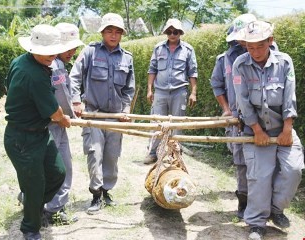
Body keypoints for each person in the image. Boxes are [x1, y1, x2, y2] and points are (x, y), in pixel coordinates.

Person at [232, 20, 304, 240]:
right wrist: (256, 130)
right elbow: (243, 101)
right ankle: (256, 223)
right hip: (255, 132)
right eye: (250, 47)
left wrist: (288, 129)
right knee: (259, 177)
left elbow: (289, 96)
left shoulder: (284, 62)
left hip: (283, 129)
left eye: (260, 46)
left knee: (294, 170)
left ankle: (276, 209)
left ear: (270, 41)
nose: (255, 52)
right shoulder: (239, 65)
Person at [4, 24, 71, 240]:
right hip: (22, 138)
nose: (51, 55)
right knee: (35, 184)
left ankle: (31, 202)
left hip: (40, 133)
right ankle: (30, 229)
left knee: (58, 173)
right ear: (34, 48)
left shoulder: (22, 61)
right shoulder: (33, 74)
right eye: (46, 51)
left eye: (54, 50)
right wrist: (63, 119)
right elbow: (54, 113)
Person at [69, 13, 135, 214]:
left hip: (115, 117)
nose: (113, 35)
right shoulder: (89, 52)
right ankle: (96, 194)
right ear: (102, 32)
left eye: (117, 32)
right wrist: (76, 101)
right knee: (94, 154)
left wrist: (125, 110)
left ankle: (107, 191)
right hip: (93, 114)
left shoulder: (127, 58)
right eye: (109, 31)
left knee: (112, 156)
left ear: (122, 34)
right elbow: (74, 77)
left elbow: (129, 90)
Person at [210, 13, 257, 219]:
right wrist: (226, 109)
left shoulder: (269, 54)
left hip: (263, 121)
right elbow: (217, 84)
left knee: (263, 163)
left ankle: (264, 205)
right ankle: (243, 201)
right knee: (241, 162)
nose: (241, 41)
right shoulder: (225, 58)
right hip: (237, 120)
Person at [43, 23, 84, 225]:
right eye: (68, 47)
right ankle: (54, 210)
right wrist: (72, 116)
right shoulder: (55, 66)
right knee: (62, 169)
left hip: (50, 124)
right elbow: (61, 98)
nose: (72, 52)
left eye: (74, 48)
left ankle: (32, 200)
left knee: (46, 167)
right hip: (56, 124)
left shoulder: (51, 64)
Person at [144, 18, 198, 164]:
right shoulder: (158, 48)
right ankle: (153, 153)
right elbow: (152, 69)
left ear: (180, 33)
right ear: (166, 32)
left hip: (179, 91)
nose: (172, 34)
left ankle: (175, 154)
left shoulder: (188, 50)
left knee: (177, 124)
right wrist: (149, 90)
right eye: (169, 31)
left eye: (175, 32)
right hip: (160, 91)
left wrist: (193, 92)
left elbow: (192, 72)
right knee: (157, 123)